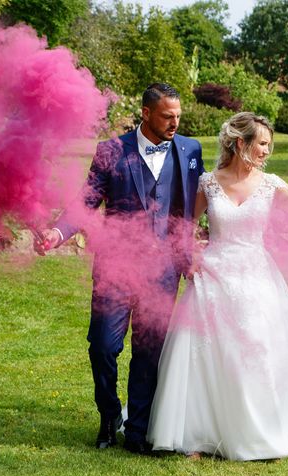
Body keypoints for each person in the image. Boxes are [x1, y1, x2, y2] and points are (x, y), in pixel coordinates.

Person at [146, 112, 288, 461]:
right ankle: (202, 435)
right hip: (213, 278)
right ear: (241, 143)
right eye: (263, 143)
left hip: (256, 278)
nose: (268, 151)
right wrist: (187, 258)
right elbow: (183, 226)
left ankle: (262, 431)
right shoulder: (208, 183)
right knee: (206, 355)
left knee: (256, 351)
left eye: (269, 144)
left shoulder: (272, 184)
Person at [34, 83, 205, 454]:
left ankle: (139, 430)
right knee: (103, 346)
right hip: (115, 267)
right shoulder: (111, 151)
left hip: (163, 271)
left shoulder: (191, 150)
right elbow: (86, 201)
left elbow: (193, 207)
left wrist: (196, 251)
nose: (175, 122)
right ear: (146, 113)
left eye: (178, 116)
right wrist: (57, 232)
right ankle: (110, 414)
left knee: (148, 351)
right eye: (167, 116)